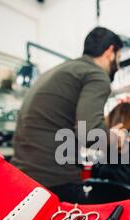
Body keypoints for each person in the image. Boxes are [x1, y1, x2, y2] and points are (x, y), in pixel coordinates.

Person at [11, 27, 123, 203]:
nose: (118, 64)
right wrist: (116, 138)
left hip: (22, 178)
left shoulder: (59, 71)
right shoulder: (96, 75)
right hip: (55, 181)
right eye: (119, 58)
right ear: (110, 51)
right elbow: (90, 134)